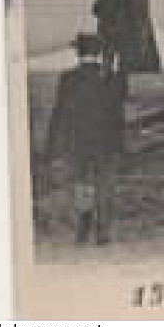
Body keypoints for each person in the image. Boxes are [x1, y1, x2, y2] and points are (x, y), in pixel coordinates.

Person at [43, 33, 125, 245]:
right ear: (98, 54)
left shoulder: (68, 79)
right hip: (105, 141)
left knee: (82, 182)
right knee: (104, 183)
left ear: (79, 54)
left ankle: (84, 223)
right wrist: (120, 144)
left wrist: (52, 145)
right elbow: (117, 114)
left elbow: (60, 113)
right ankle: (103, 230)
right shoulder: (110, 78)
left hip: (78, 142)